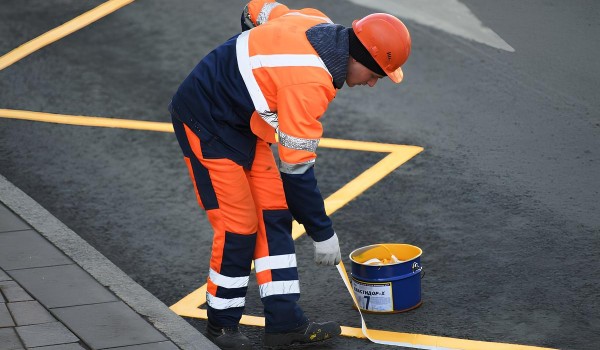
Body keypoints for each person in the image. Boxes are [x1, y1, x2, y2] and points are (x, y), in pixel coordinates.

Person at [169, 1, 411, 349]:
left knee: (274, 214)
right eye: (375, 76)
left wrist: (249, 61)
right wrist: (322, 231)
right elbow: (296, 171)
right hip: (204, 120)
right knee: (238, 226)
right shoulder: (311, 83)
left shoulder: (318, 22)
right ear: (359, 61)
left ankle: (283, 323)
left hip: (241, 123)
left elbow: (258, 9)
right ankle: (221, 327)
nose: (373, 84)